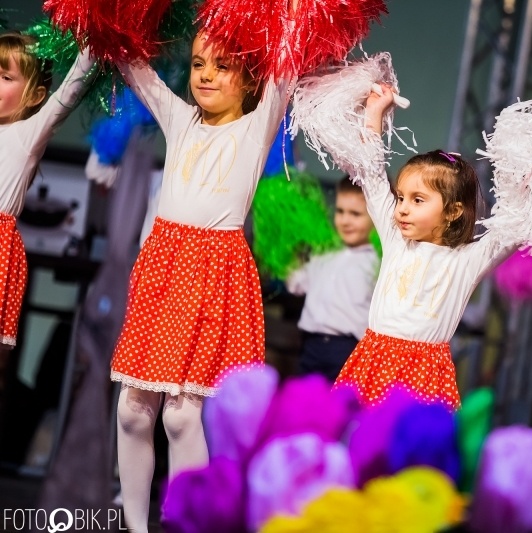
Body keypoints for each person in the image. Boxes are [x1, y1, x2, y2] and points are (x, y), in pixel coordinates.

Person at [109, 32, 292, 532]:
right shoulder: (181, 119)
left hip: (214, 274)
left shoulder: (258, 126)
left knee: (182, 418)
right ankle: (134, 524)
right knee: (132, 411)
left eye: (223, 66)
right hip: (164, 271)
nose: (206, 74)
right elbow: (131, 62)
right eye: (197, 64)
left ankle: (182, 522)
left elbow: (290, 59)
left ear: (251, 78)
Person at [332, 88, 532, 411]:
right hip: (373, 361)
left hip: (425, 377)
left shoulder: (467, 260)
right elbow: (372, 175)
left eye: (418, 200)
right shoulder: (395, 239)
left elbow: (513, 225)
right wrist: (374, 113)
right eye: (402, 197)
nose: (402, 208)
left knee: (414, 457)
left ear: (453, 211)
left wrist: (524, 159)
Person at [0, 32, 93, 430]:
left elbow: (74, 85)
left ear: (36, 95)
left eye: (6, 77)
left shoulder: (26, 135)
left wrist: (97, 29)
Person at [286, 176, 379, 382]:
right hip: (310, 346)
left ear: (376, 217)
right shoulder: (324, 253)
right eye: (340, 211)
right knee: (305, 408)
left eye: (355, 214)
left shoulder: (377, 263)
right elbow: (296, 285)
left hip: (349, 351)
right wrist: (290, 246)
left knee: (340, 411)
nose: (345, 220)